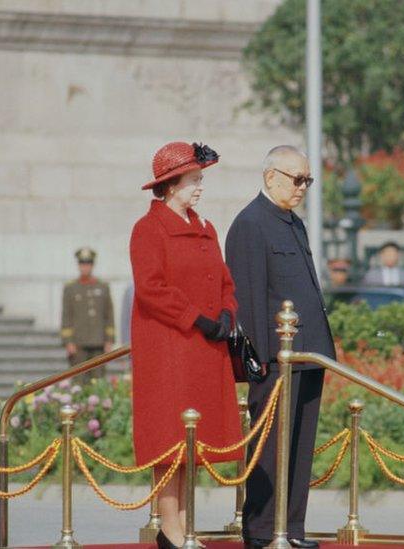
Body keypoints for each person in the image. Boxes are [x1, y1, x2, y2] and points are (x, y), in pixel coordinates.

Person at [129, 141, 243, 549]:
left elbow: (225, 281)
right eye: (194, 180)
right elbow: (151, 289)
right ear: (171, 185)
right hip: (170, 351)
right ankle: (170, 527)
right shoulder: (149, 229)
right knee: (170, 440)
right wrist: (197, 318)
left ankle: (180, 525)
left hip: (203, 348)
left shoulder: (205, 227)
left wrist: (228, 314)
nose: (199, 188)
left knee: (191, 441)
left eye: (199, 180)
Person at [225, 145, 333, 549]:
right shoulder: (251, 224)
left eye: (308, 179)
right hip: (275, 358)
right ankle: (262, 529)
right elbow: (248, 297)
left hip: (307, 353)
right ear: (271, 176)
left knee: (300, 448)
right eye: (296, 178)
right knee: (270, 448)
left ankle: (291, 529)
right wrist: (257, 359)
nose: (303, 187)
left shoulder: (292, 223)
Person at [60, 247, 115, 382]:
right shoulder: (70, 288)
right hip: (79, 343)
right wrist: (68, 341)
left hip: (98, 342)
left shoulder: (103, 287)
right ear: (79, 265)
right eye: (82, 264)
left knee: (98, 381)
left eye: (88, 264)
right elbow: (66, 315)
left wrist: (109, 339)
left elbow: (109, 314)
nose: (85, 267)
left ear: (92, 265)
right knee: (79, 381)